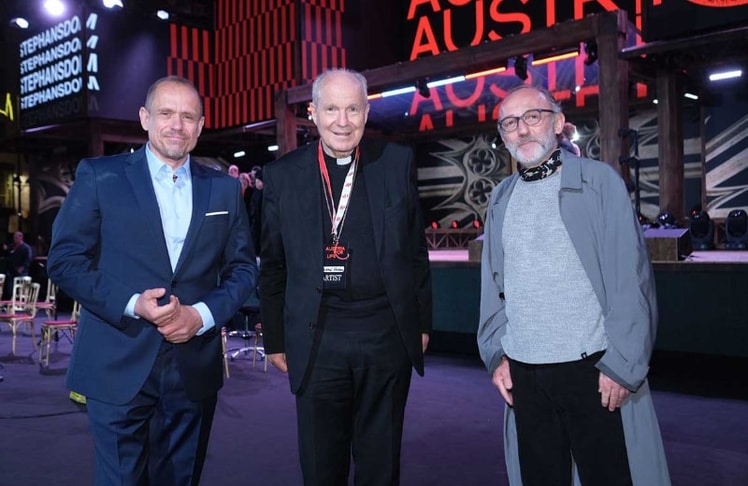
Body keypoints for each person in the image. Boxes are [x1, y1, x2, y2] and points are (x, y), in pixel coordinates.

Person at [47, 75, 257, 486]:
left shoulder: (224, 190)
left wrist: (201, 315)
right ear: (145, 118)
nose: (176, 124)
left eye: (187, 116)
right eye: (166, 113)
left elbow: (244, 269)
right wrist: (131, 303)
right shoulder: (99, 176)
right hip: (115, 359)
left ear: (200, 125)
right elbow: (66, 261)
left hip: (192, 367)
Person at [478, 85, 670, 486]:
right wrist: (496, 353)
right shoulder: (500, 198)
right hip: (526, 374)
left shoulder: (600, 182)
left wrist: (622, 364)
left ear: (559, 123)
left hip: (593, 370)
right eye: (510, 123)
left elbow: (630, 278)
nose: (523, 130)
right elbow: (493, 285)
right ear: (503, 136)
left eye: (533, 116)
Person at [259, 68, 432, 486]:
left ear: (366, 112)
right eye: (332, 108)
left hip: (385, 333)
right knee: (321, 465)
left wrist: (421, 325)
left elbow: (414, 254)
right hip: (318, 338)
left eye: (352, 108)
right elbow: (274, 263)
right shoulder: (283, 175)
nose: (342, 120)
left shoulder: (396, 163)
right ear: (313, 113)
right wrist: (276, 340)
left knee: (380, 462)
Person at [4, 231, 33, 299]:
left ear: (21, 237)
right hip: (11, 271)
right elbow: (8, 255)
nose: (15, 239)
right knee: (10, 288)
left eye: (16, 237)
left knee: (20, 289)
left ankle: (20, 301)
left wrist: (22, 267)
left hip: (21, 272)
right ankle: (11, 300)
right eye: (14, 237)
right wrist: (5, 249)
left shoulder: (26, 248)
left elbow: (28, 259)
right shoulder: (12, 246)